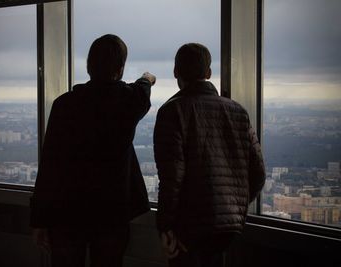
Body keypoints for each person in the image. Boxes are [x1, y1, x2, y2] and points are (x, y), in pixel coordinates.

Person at [30, 34, 156, 267]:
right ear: (119, 69)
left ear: (88, 67)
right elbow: (142, 88)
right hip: (112, 212)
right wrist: (147, 77)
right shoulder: (129, 101)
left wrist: (39, 220)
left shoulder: (64, 104)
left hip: (66, 212)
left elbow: (49, 165)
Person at [153, 43, 265, 267]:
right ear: (208, 73)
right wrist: (234, 206)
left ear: (176, 72)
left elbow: (171, 176)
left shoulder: (172, 111)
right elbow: (258, 173)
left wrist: (165, 226)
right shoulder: (238, 111)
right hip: (228, 229)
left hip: (189, 226)